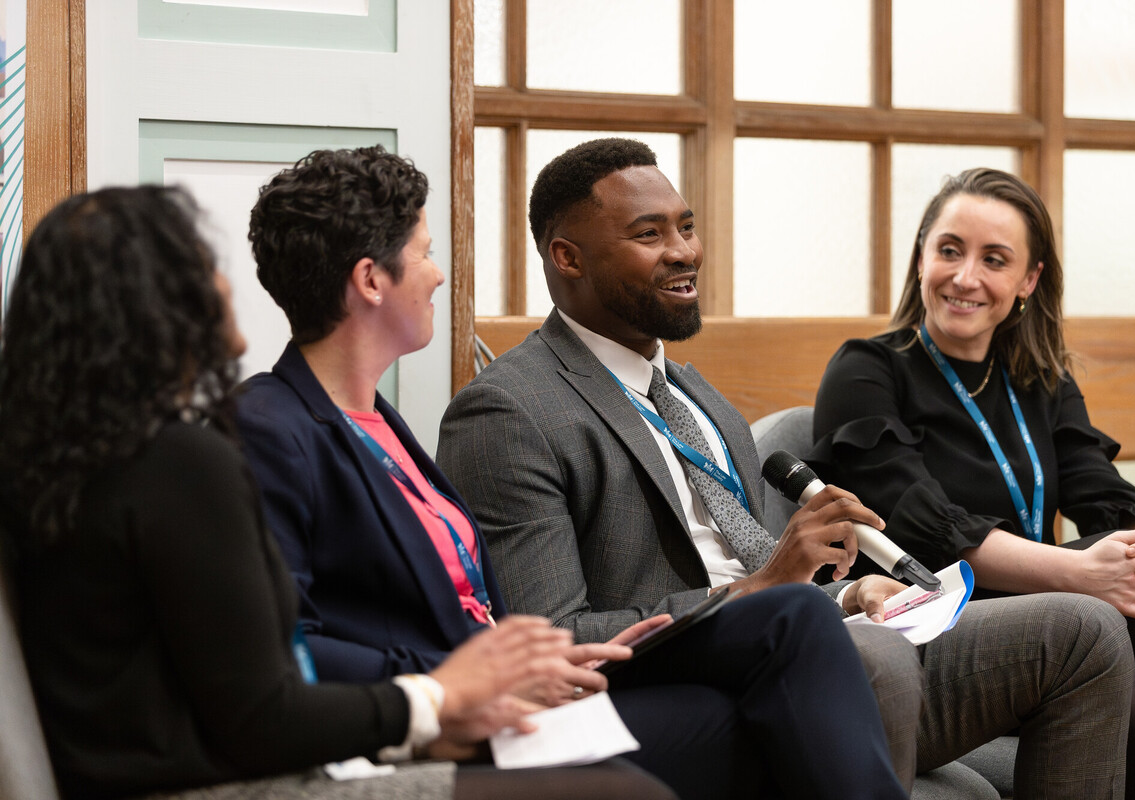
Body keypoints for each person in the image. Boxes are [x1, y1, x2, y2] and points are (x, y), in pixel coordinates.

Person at [437, 137, 1135, 799]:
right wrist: (777, 589)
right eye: (650, 235)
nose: (684, 253)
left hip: (806, 649)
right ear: (568, 257)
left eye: (685, 227)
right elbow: (555, 643)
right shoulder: (510, 410)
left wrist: (843, 596)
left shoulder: (697, 397)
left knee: (1083, 630)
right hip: (697, 688)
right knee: (872, 658)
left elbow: (760, 578)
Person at [234, 145, 909, 800]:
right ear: (371, 280)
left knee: (778, 701)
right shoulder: (274, 425)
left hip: (521, 695)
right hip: (434, 725)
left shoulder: (381, 423)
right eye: (426, 254)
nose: (439, 275)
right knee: (778, 676)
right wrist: (447, 685)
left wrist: (533, 663)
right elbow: (282, 646)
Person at [0, 185, 677, 800]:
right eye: (203, 264)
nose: (224, 284)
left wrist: (445, 710)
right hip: (219, 782)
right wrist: (437, 698)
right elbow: (263, 713)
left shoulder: (71, 462)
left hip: (182, 767)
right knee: (625, 791)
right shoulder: (181, 461)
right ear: (164, 303)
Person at [809, 165, 1135, 800]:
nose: (966, 277)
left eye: (995, 259)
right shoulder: (867, 370)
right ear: (921, 258)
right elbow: (920, 526)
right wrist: (1082, 573)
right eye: (949, 251)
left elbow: (1101, 489)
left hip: (1068, 624)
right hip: (938, 625)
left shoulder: (1038, 378)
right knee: (1104, 608)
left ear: (1029, 279)